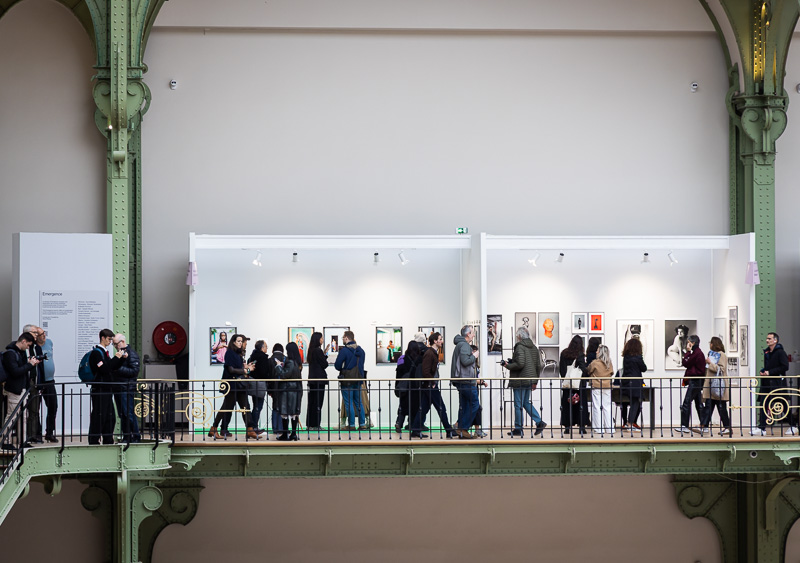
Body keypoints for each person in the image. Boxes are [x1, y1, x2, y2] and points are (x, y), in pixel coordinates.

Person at [208, 334, 259, 441]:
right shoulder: (230, 353)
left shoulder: (237, 353)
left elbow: (237, 367)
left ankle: (249, 429)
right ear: (234, 342)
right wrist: (245, 370)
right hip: (232, 384)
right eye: (239, 341)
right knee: (226, 407)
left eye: (241, 341)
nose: (241, 343)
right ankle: (214, 427)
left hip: (239, 385)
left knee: (245, 406)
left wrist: (246, 367)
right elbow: (231, 369)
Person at [412, 332, 457, 439]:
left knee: (423, 408)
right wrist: (432, 382)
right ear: (435, 341)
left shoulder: (432, 352)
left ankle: (415, 430)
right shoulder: (430, 353)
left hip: (429, 385)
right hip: (430, 386)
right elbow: (426, 371)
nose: (442, 341)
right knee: (441, 407)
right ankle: (448, 430)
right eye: (440, 339)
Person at [503, 326, 545, 437]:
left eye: (517, 335)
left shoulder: (520, 347)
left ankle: (518, 428)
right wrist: (535, 381)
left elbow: (520, 364)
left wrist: (508, 365)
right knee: (525, 402)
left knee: (518, 405)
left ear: (520, 336)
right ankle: (539, 422)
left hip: (520, 380)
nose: (517, 337)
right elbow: (538, 366)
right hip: (530, 379)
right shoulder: (534, 348)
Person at [2, 332, 39, 448]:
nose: (28, 348)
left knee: (23, 416)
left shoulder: (21, 353)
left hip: (22, 389)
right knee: (11, 416)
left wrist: (29, 364)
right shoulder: (10, 354)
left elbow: (21, 370)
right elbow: (15, 371)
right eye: (28, 345)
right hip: (14, 390)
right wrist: (30, 365)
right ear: (23, 341)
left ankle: (22, 441)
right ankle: (5, 441)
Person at [88, 329, 123, 445]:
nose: (110, 342)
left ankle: (108, 439)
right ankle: (94, 440)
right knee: (99, 415)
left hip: (107, 389)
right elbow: (104, 369)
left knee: (110, 416)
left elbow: (111, 368)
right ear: (102, 338)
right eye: (109, 339)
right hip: (100, 389)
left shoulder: (104, 353)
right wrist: (116, 358)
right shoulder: (96, 353)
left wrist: (121, 359)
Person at [752, 332, 790, 436]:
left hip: (777, 383)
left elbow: (785, 367)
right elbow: (770, 366)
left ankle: (793, 425)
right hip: (767, 383)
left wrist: (770, 372)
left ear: (775, 340)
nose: (767, 340)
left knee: (782, 403)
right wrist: (763, 371)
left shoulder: (780, 352)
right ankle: (762, 428)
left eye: (769, 338)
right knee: (764, 403)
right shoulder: (768, 353)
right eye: (767, 338)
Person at [111, 334, 141, 443]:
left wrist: (117, 368)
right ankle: (127, 436)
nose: (114, 346)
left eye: (116, 343)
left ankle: (135, 436)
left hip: (126, 387)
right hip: (120, 387)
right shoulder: (122, 354)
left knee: (128, 413)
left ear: (122, 342)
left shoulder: (131, 354)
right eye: (113, 344)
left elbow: (134, 371)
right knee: (123, 414)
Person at [450, 327, 479, 439]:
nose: (473, 335)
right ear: (468, 334)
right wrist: (474, 356)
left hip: (461, 380)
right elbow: (465, 361)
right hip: (465, 380)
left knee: (464, 405)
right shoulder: (464, 345)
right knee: (474, 404)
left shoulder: (460, 344)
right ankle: (463, 428)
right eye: (472, 333)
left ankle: (461, 430)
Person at [335, 331, 367, 431]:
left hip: (347, 380)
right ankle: (362, 424)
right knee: (359, 402)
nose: (342, 339)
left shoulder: (344, 351)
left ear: (347, 338)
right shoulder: (361, 350)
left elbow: (337, 365)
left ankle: (352, 425)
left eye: (343, 338)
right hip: (358, 379)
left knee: (348, 403)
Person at [699, 336, 731, 435]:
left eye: (711, 343)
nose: (710, 344)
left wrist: (710, 363)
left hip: (717, 385)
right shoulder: (712, 354)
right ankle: (704, 425)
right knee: (709, 406)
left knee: (720, 407)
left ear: (714, 344)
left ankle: (727, 427)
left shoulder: (722, 355)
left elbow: (721, 369)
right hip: (711, 385)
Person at [559, 335, 590, 434]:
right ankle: (581, 427)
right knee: (580, 405)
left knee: (567, 405)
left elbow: (562, 370)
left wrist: (566, 378)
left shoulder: (564, 353)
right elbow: (582, 369)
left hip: (567, 384)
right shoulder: (580, 354)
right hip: (578, 385)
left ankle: (567, 427)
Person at [676, 335, 705, 434]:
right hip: (697, 381)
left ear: (692, 343)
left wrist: (688, 351)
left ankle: (684, 426)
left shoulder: (697, 353)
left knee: (686, 403)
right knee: (698, 404)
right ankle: (704, 425)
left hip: (696, 381)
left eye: (689, 342)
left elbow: (685, 362)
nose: (687, 344)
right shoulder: (697, 353)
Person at [22, 324, 44, 443]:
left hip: (35, 382)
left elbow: (41, 368)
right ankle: (23, 436)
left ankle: (33, 435)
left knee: (35, 411)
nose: (37, 335)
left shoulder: (37, 348)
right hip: (24, 383)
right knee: (23, 411)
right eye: (34, 333)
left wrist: (42, 383)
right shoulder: (22, 347)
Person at [619, 337, 647, 432]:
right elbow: (644, 368)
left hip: (626, 382)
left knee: (628, 402)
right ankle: (630, 423)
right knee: (636, 402)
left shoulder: (626, 357)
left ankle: (627, 422)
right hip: (635, 382)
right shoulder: (638, 357)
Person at [277, 342, 303, 441]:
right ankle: (293, 434)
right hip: (296, 389)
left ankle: (285, 434)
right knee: (293, 413)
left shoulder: (290, 362)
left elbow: (285, 374)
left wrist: (278, 366)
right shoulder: (298, 363)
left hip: (287, 390)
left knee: (285, 413)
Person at [394, 340, 422, 433]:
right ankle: (412, 425)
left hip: (404, 387)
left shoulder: (402, 359)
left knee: (402, 406)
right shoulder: (419, 359)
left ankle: (399, 423)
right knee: (414, 407)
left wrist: (397, 386)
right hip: (415, 387)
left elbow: (398, 373)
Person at [587, 344, 614, 435]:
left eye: (598, 350)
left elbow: (589, 370)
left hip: (597, 386)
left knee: (597, 407)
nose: (596, 352)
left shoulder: (595, 363)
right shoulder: (609, 363)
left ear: (600, 352)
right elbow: (612, 373)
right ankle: (610, 428)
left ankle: (599, 428)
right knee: (607, 407)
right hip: (607, 386)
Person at [37, 328, 57, 443]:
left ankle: (49, 432)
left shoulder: (49, 342)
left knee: (53, 406)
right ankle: (37, 433)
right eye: (41, 334)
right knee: (36, 409)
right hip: (39, 381)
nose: (43, 336)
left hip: (50, 380)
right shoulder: (35, 347)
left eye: (44, 333)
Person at [247, 339, 271, 435]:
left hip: (252, 383)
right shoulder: (263, 358)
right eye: (266, 346)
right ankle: (253, 427)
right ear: (262, 348)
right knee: (258, 406)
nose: (267, 348)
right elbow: (264, 372)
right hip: (260, 384)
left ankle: (252, 426)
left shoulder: (252, 356)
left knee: (255, 406)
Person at [306, 332, 328, 431]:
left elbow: (317, 362)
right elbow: (324, 364)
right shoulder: (318, 351)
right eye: (321, 338)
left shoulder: (311, 350)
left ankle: (310, 424)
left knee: (312, 402)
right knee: (318, 403)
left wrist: (323, 354)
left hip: (312, 380)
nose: (322, 340)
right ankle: (316, 425)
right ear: (318, 339)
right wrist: (325, 355)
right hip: (319, 380)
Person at [268, 343, 286, 435]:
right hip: (284, 386)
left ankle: (275, 428)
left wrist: (269, 390)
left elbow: (268, 376)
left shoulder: (270, 360)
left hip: (274, 387)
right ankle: (282, 428)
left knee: (275, 407)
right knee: (283, 407)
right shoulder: (285, 359)